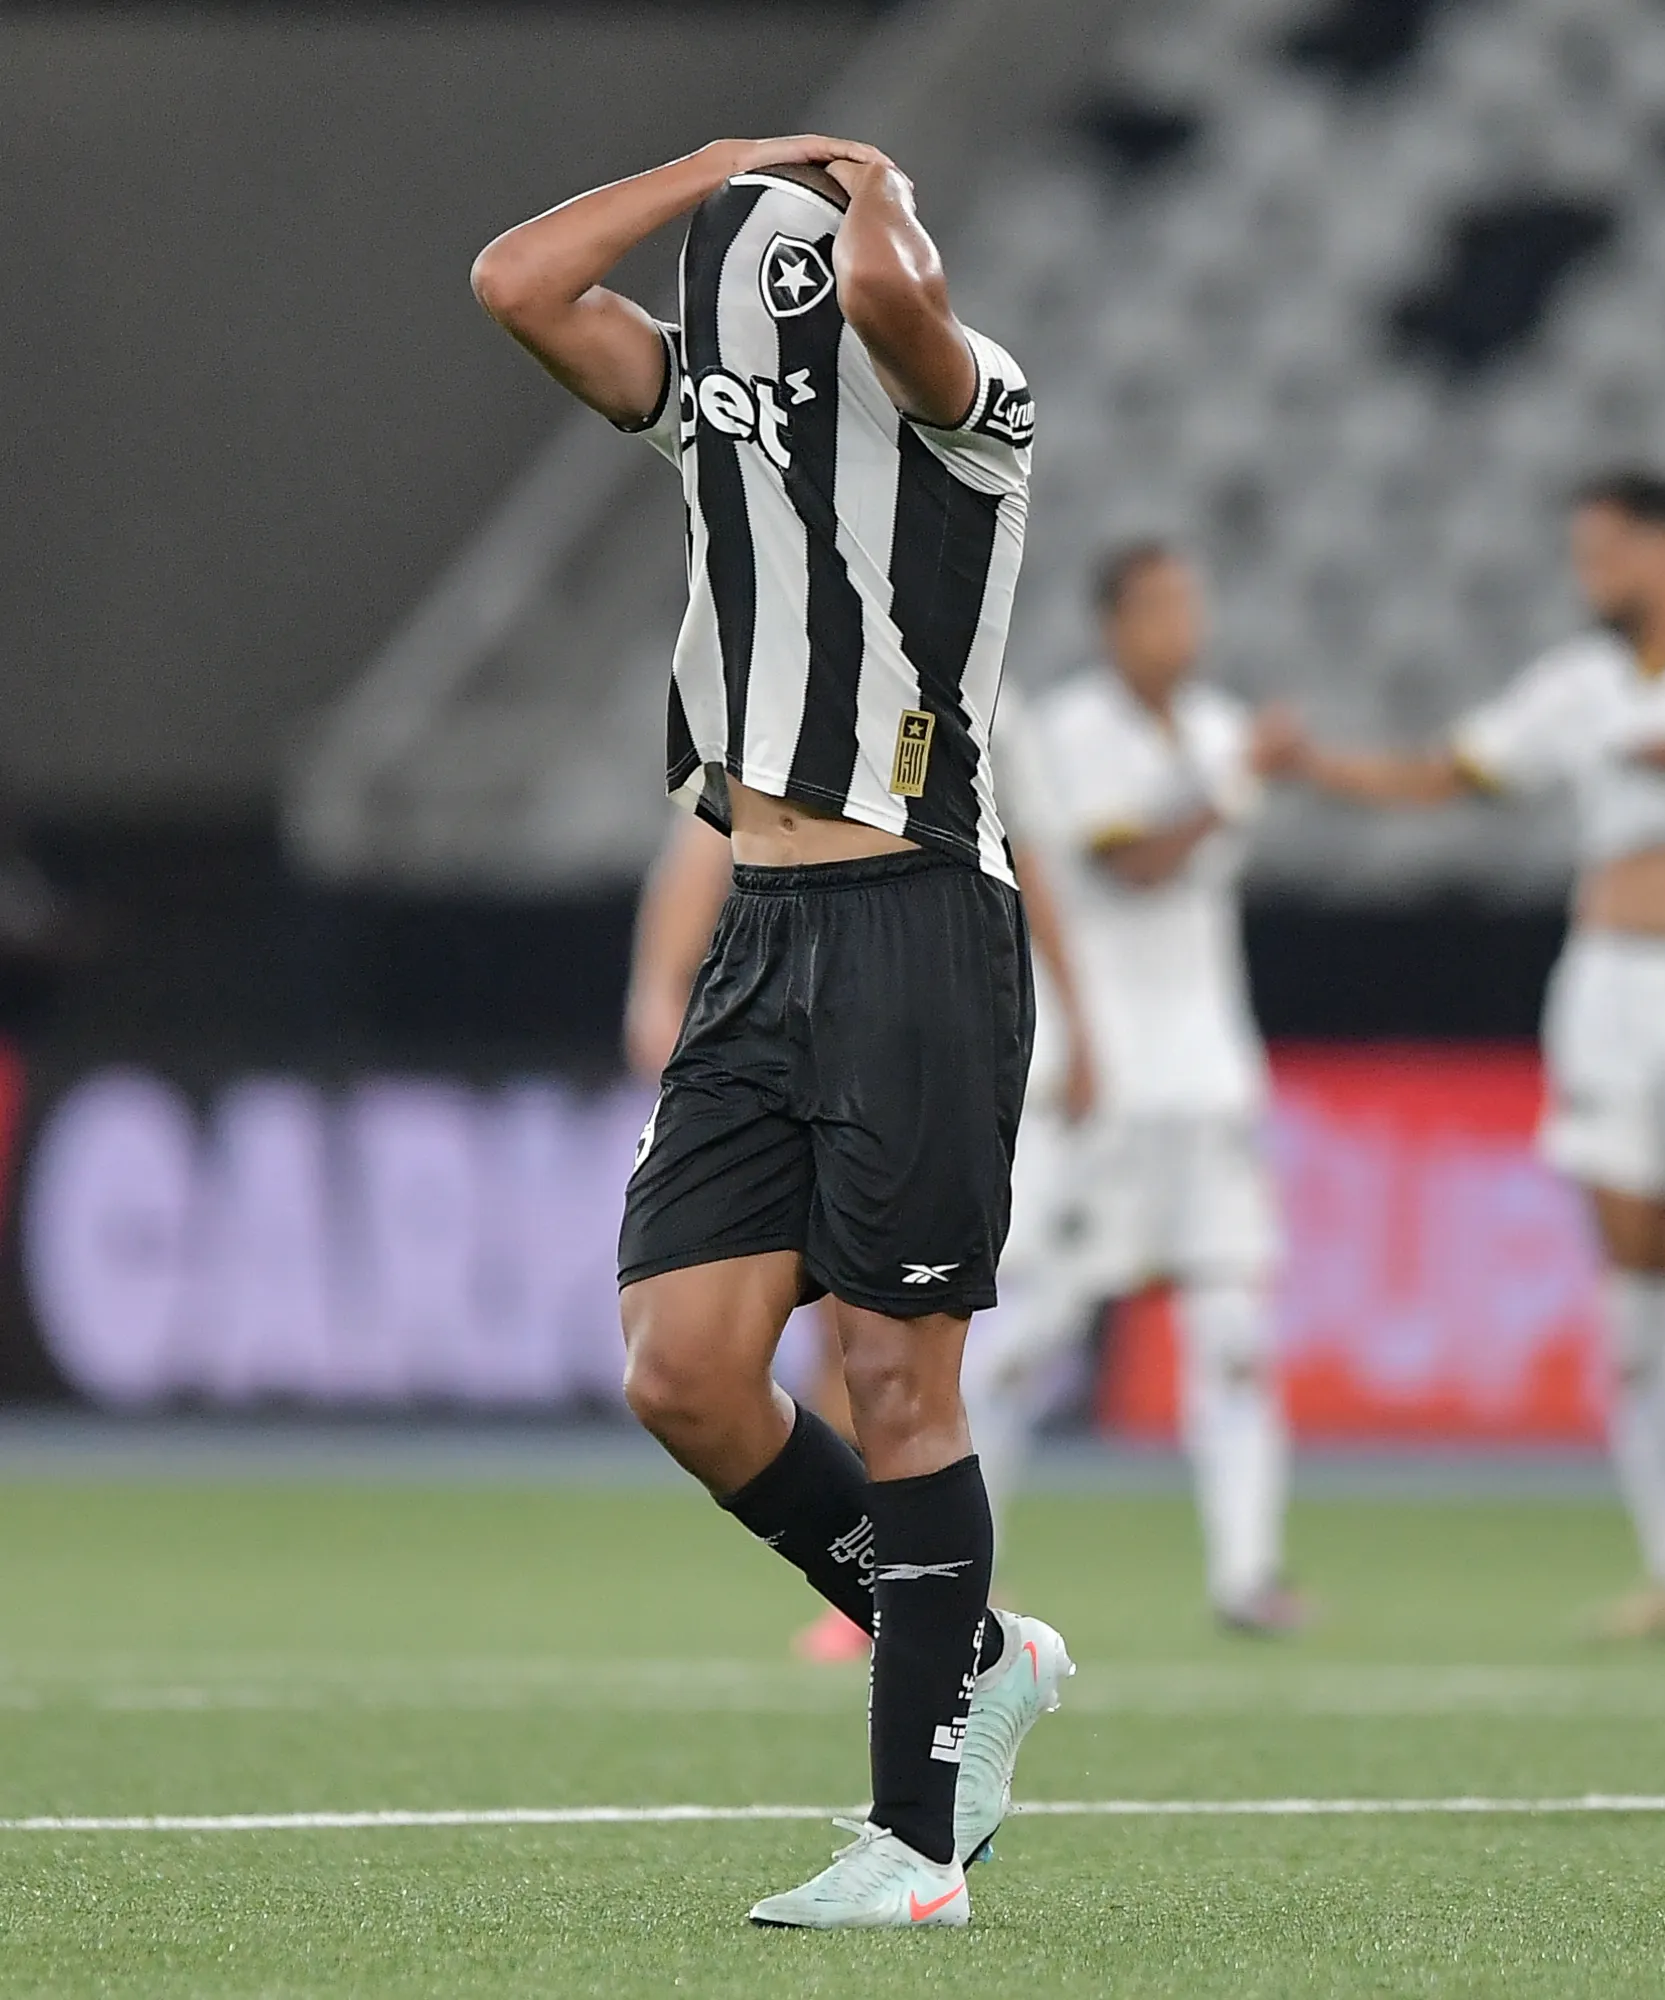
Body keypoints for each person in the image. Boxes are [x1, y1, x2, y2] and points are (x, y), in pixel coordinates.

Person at [474, 133, 1073, 1928]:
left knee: (897, 1380)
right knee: (685, 1369)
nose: (777, 289)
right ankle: (978, 1645)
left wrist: (867, 182)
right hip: (765, 922)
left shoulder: (981, 423)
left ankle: (913, 1843)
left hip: (916, 920)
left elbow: (897, 292)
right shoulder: (709, 419)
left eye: (783, 264)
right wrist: (720, 164)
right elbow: (515, 282)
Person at [1261, 470, 1665, 1641]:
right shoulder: (1579, 684)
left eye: (1605, 553)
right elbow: (1453, 771)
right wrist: (1318, 765)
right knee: (1638, 1301)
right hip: (1614, 993)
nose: (1588, 575)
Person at [623, 686, 1101, 1664]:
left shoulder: (970, 698)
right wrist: (659, 982)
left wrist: (1080, 1013)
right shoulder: (778, 656)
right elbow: (707, 830)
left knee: (894, 1349)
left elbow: (1027, 858)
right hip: (784, 1007)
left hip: (926, 1018)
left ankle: (945, 1597)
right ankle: (932, 1600)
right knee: (770, 1356)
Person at [1019, 541, 1306, 1633]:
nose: (1183, 626)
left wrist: (1241, 772)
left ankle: (1248, 1573)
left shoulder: (1222, 727)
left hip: (1209, 1074)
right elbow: (1128, 863)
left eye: (1192, 603)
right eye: (1159, 607)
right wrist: (1237, 787)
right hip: (1100, 1079)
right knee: (1030, 1330)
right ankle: (954, 1568)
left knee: (1233, 1326)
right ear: (1113, 623)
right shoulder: (1070, 732)